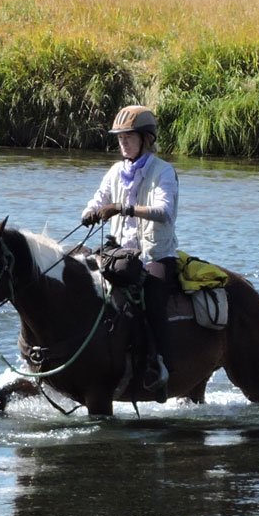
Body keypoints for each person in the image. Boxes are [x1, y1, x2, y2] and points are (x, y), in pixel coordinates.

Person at [81, 105, 179, 398]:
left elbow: (164, 211)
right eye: (120, 138)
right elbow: (98, 199)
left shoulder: (163, 171)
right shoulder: (115, 171)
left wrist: (123, 208)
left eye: (129, 137)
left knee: (154, 298)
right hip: (119, 251)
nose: (122, 142)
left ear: (146, 139)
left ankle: (159, 365)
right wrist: (89, 213)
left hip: (156, 256)